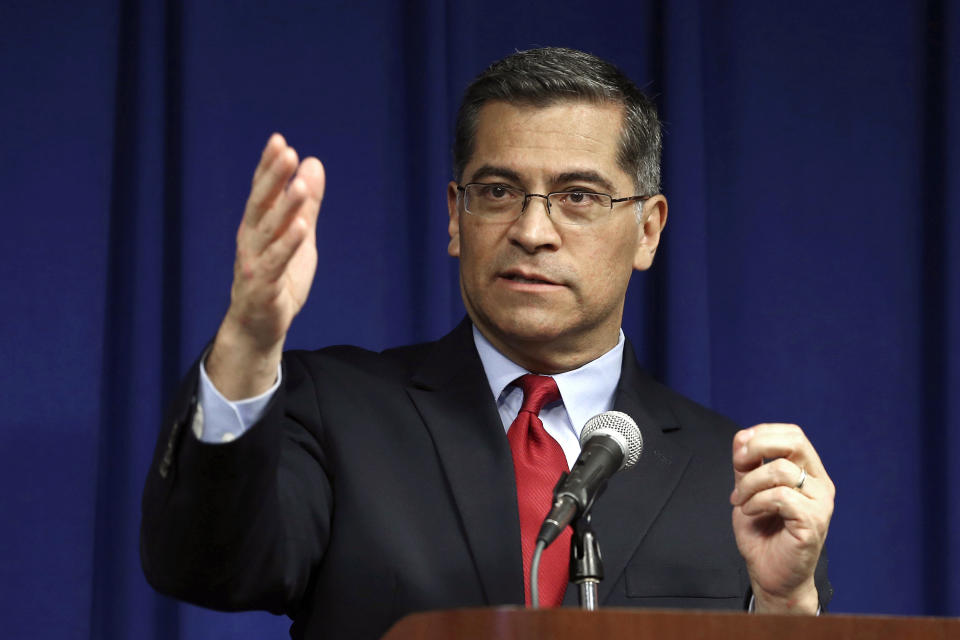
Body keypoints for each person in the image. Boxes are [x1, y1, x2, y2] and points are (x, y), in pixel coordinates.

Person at [141, 47, 834, 639]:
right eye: (499, 191)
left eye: (579, 196)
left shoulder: (734, 478)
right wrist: (249, 342)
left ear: (648, 230)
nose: (533, 230)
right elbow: (205, 563)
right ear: (455, 216)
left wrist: (784, 609)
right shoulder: (334, 411)